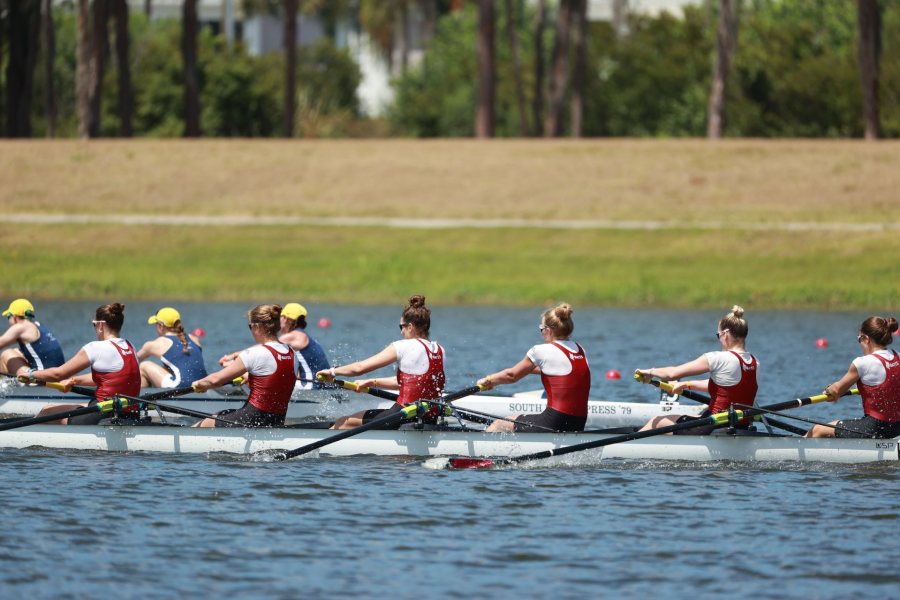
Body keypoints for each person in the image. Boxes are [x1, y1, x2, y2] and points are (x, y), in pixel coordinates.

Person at [316, 295, 445, 430]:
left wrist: (331, 371)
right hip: (428, 417)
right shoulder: (439, 350)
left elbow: (359, 368)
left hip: (402, 415)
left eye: (401, 327)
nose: (401, 332)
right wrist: (372, 382)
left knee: (344, 422)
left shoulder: (403, 346)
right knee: (358, 416)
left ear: (410, 327)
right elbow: (411, 383)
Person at [635, 305, 758, 435]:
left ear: (725, 335)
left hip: (711, 427)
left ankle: (629, 446)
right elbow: (727, 386)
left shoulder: (717, 358)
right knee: (693, 416)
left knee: (657, 421)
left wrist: (648, 372)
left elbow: (671, 374)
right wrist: (687, 384)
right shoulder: (754, 362)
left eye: (718, 335)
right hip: (741, 426)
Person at [477, 303, 591, 433]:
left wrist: (489, 380)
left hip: (554, 421)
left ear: (548, 330)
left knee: (500, 424)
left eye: (541, 329)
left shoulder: (541, 350)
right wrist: (527, 370)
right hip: (579, 422)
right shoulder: (579, 349)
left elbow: (512, 376)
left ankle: (481, 450)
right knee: (518, 420)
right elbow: (559, 373)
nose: (542, 333)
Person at [23, 303, 142, 425]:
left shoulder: (95, 347)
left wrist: (31, 374)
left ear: (100, 325)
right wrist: (75, 380)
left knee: (46, 411)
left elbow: (58, 374)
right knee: (83, 405)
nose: (95, 329)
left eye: (94, 325)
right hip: (130, 413)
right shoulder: (130, 346)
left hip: (104, 413)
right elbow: (111, 377)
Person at [192, 304, 299, 427]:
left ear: (257, 326)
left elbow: (215, 380)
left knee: (208, 421)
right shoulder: (292, 354)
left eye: (250, 326)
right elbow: (274, 379)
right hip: (276, 420)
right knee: (223, 414)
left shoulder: (255, 353)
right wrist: (250, 376)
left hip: (251, 419)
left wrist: (200, 384)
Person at [806, 316, 900, 439]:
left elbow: (836, 391)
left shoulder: (862, 363)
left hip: (874, 428)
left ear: (866, 339)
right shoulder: (897, 356)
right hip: (897, 428)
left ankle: (793, 449)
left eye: (859, 339)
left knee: (818, 429)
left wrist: (829, 390)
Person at [218, 302, 330, 391]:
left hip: (311, 387)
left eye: (281, 317)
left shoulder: (293, 336)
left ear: (286, 319)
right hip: (319, 386)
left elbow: (265, 347)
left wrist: (232, 358)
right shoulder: (304, 335)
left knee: (260, 375)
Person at [137, 307, 208, 388]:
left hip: (180, 386)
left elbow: (132, 362)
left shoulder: (155, 344)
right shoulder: (194, 339)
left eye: (156, 324)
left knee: (144, 366)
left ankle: (140, 399)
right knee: (168, 368)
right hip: (203, 385)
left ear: (161, 326)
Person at [0, 298, 65, 375]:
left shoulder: (20, 327)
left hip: (42, 378)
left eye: (8, 316)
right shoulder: (37, 325)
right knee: (17, 351)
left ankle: (3, 384)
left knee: (6, 354)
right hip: (58, 374)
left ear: (14, 317)